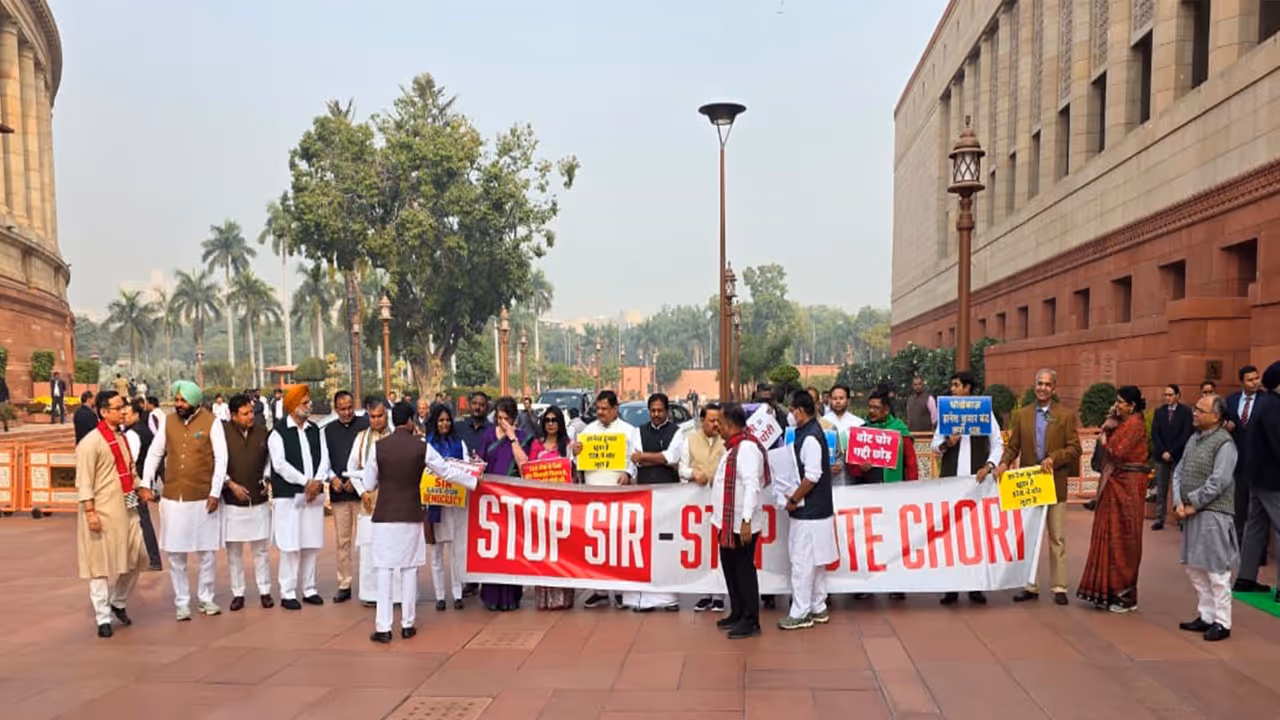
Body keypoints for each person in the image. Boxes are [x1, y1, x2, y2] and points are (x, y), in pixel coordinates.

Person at [363, 401, 483, 643]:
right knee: (409, 569)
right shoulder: (422, 447)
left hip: (385, 516)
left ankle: (384, 628)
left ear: (391, 420)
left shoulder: (378, 447)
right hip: (411, 514)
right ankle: (408, 624)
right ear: (410, 421)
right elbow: (446, 471)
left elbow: (367, 484)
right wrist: (473, 481)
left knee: (385, 571)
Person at [141, 380, 227, 621]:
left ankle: (206, 598)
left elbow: (221, 459)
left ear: (195, 402)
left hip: (202, 497)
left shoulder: (212, 422)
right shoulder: (168, 422)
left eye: (183, 400)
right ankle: (182, 602)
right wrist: (146, 483)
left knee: (206, 552)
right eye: (176, 400)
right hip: (173, 498)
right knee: (176, 553)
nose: (178, 405)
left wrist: (215, 492)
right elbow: (155, 453)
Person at [996, 368, 1081, 606]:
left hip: (1054, 484)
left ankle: (1059, 586)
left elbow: (1075, 449)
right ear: (1035, 386)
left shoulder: (1065, 416)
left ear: (1054, 388)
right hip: (1030, 484)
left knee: (1057, 537)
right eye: (1039, 383)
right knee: (1030, 538)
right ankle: (1029, 585)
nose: (1042, 388)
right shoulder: (1022, 415)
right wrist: (1004, 463)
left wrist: (1054, 458)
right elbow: (1013, 446)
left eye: (1047, 384)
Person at [77, 390, 152, 638]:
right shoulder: (90, 443)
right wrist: (90, 512)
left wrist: (141, 487)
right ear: (104, 411)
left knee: (138, 556)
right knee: (99, 566)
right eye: (118, 408)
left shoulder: (121, 438)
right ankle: (102, 617)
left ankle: (117, 602)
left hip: (127, 506)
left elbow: (129, 469)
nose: (123, 411)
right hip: (100, 510)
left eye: (123, 407)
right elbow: (84, 481)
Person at [1077, 385, 1150, 613]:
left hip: (1128, 487)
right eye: (1116, 401)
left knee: (1125, 538)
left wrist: (1105, 438)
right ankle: (1105, 591)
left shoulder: (1135, 424)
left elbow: (1118, 452)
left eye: (1121, 402)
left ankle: (1125, 595)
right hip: (1115, 483)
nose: (1117, 405)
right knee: (1107, 534)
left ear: (1132, 405)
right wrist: (1109, 422)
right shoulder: (1121, 421)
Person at [930, 372, 1000, 605]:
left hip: (977, 483)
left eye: (957, 385)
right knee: (951, 535)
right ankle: (952, 587)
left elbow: (998, 442)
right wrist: (947, 443)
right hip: (952, 483)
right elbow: (934, 446)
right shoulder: (947, 413)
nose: (952, 389)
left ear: (968, 388)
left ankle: (975, 586)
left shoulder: (984, 412)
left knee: (976, 535)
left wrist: (989, 465)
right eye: (952, 385)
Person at [1173, 394, 1238, 642]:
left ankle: (1223, 622)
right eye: (1195, 408)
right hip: (1190, 512)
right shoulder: (1194, 438)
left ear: (1216, 416)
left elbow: (1219, 481)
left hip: (1214, 514)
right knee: (1194, 567)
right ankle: (1207, 615)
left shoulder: (1225, 444)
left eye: (1201, 410)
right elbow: (1179, 470)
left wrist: (1194, 504)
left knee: (1215, 570)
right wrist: (1179, 502)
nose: (1195, 413)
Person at [572, 390, 642, 609]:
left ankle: (621, 591)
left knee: (619, 541)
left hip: (619, 494)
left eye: (604, 409)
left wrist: (629, 473)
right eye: (598, 409)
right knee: (595, 542)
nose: (600, 412)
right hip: (593, 494)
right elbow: (575, 461)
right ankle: (599, 590)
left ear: (615, 409)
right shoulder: (589, 431)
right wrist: (574, 452)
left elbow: (636, 458)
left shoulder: (630, 431)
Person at [777, 390, 837, 631]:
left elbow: (812, 475)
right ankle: (818, 606)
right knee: (817, 563)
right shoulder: (811, 432)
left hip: (808, 513)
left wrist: (793, 498)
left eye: (792, 410)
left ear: (800, 411)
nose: (790, 415)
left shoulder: (809, 438)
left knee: (802, 563)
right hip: (820, 511)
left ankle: (800, 612)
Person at [268, 384, 330, 610]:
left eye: (308, 402)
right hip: (289, 496)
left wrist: (317, 481)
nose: (309, 406)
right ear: (293, 406)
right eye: (305, 403)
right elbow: (280, 465)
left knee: (311, 543)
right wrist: (306, 482)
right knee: (290, 545)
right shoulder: (278, 432)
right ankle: (288, 592)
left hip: (312, 495)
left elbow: (324, 459)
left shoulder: (315, 430)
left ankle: (309, 588)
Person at [711, 403, 769, 640]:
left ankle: (750, 619)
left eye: (720, 423)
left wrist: (745, 520)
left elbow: (752, 485)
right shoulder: (733, 446)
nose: (717, 427)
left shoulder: (746, 448)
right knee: (729, 566)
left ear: (730, 424)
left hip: (741, 522)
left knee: (743, 569)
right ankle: (737, 611)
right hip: (727, 523)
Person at [626, 393, 687, 612]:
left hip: (668, 495)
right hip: (645, 494)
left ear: (667, 411)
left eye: (660, 410)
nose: (657, 414)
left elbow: (672, 457)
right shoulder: (638, 431)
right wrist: (650, 458)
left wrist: (644, 457)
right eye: (653, 410)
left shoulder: (677, 432)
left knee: (667, 544)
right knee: (647, 543)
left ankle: (669, 597)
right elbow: (633, 460)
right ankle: (646, 597)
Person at [476, 396, 532, 611]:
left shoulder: (523, 438)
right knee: (492, 548)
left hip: (512, 501)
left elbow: (525, 465)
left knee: (510, 548)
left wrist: (511, 438)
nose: (502, 422)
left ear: (514, 419)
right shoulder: (489, 435)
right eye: (499, 418)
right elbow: (481, 461)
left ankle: (510, 596)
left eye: (506, 418)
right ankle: (491, 596)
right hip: (490, 500)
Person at [221, 393, 274, 611]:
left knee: (260, 550)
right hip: (232, 501)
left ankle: (265, 591)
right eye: (245, 414)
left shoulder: (263, 433)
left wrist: (267, 478)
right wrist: (230, 485)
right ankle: (238, 593)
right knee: (234, 551)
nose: (250, 416)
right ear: (233, 415)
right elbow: (215, 464)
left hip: (258, 499)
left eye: (251, 412)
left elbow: (270, 461)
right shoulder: (222, 435)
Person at [520, 405, 576, 611]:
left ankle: (563, 598)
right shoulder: (536, 445)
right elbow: (528, 469)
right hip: (542, 508)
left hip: (562, 507)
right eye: (547, 420)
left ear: (560, 423)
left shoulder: (568, 446)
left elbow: (575, 472)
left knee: (562, 552)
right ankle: (545, 598)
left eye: (554, 420)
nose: (551, 424)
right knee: (543, 551)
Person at [1234, 361, 1280, 597]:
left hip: (1258, 476)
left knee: (1255, 526)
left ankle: (1245, 577)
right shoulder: (1273, 405)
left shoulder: (1263, 403)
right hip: (1271, 479)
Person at [347, 397, 394, 607]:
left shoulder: (396, 437)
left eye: (380, 416)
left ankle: (396, 594)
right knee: (368, 548)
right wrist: (362, 492)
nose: (376, 421)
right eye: (372, 417)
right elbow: (351, 469)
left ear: (387, 414)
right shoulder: (361, 438)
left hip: (393, 499)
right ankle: (370, 594)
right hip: (368, 499)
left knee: (393, 547)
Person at [681, 403, 726, 613]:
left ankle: (718, 595)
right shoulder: (689, 438)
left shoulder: (726, 440)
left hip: (720, 502)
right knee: (701, 551)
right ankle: (705, 594)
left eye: (718, 420)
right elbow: (681, 467)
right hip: (697, 505)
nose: (716, 424)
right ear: (701, 421)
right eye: (711, 420)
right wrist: (692, 474)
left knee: (719, 550)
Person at [325, 390, 369, 604]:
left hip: (362, 493)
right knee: (343, 541)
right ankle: (345, 583)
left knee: (366, 539)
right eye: (342, 409)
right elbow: (323, 459)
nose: (347, 412)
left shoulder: (365, 425)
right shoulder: (328, 430)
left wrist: (357, 480)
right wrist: (331, 478)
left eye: (350, 407)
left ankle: (369, 584)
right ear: (336, 410)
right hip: (338, 492)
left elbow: (369, 456)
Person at [424, 403, 469, 612]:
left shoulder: (459, 443)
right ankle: (440, 596)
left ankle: (457, 594)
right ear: (435, 422)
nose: (445, 424)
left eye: (447, 420)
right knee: (436, 553)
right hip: (433, 506)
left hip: (455, 505)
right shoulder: (426, 444)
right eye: (441, 420)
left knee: (456, 551)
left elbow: (466, 468)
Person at [121, 400, 162, 570]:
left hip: (134, 485)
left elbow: (130, 460)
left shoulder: (132, 434)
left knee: (139, 519)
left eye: (127, 414)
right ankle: (149, 558)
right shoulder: (143, 430)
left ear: (136, 415)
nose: (124, 417)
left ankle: (151, 559)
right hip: (141, 483)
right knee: (140, 519)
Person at [1225, 365, 1262, 547]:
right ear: (1242, 382)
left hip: (1261, 463)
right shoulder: (1231, 400)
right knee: (1240, 507)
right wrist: (1228, 424)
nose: (1255, 382)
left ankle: (1259, 551)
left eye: (1256, 378)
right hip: (1238, 462)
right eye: (1250, 379)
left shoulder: (1267, 400)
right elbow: (1220, 420)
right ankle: (1239, 545)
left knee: (1259, 510)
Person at [1150, 384, 1193, 531]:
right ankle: (1159, 519)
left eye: (1170, 395)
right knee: (1161, 488)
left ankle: (1181, 519)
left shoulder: (1186, 412)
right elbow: (1155, 433)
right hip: (1161, 456)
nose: (1167, 398)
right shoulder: (1159, 412)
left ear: (1177, 396)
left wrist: (1172, 452)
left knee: (1179, 488)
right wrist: (1163, 451)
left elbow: (1186, 434)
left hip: (1179, 455)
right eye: (1166, 395)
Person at [823, 384, 865, 486]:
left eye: (841, 398)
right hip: (830, 475)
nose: (838, 401)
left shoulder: (858, 423)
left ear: (848, 401)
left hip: (853, 476)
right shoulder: (822, 422)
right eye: (834, 398)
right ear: (830, 401)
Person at [455, 391, 493, 460]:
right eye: (474, 403)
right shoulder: (459, 427)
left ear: (487, 408)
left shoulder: (492, 430)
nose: (477, 407)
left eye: (481, 405)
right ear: (469, 405)